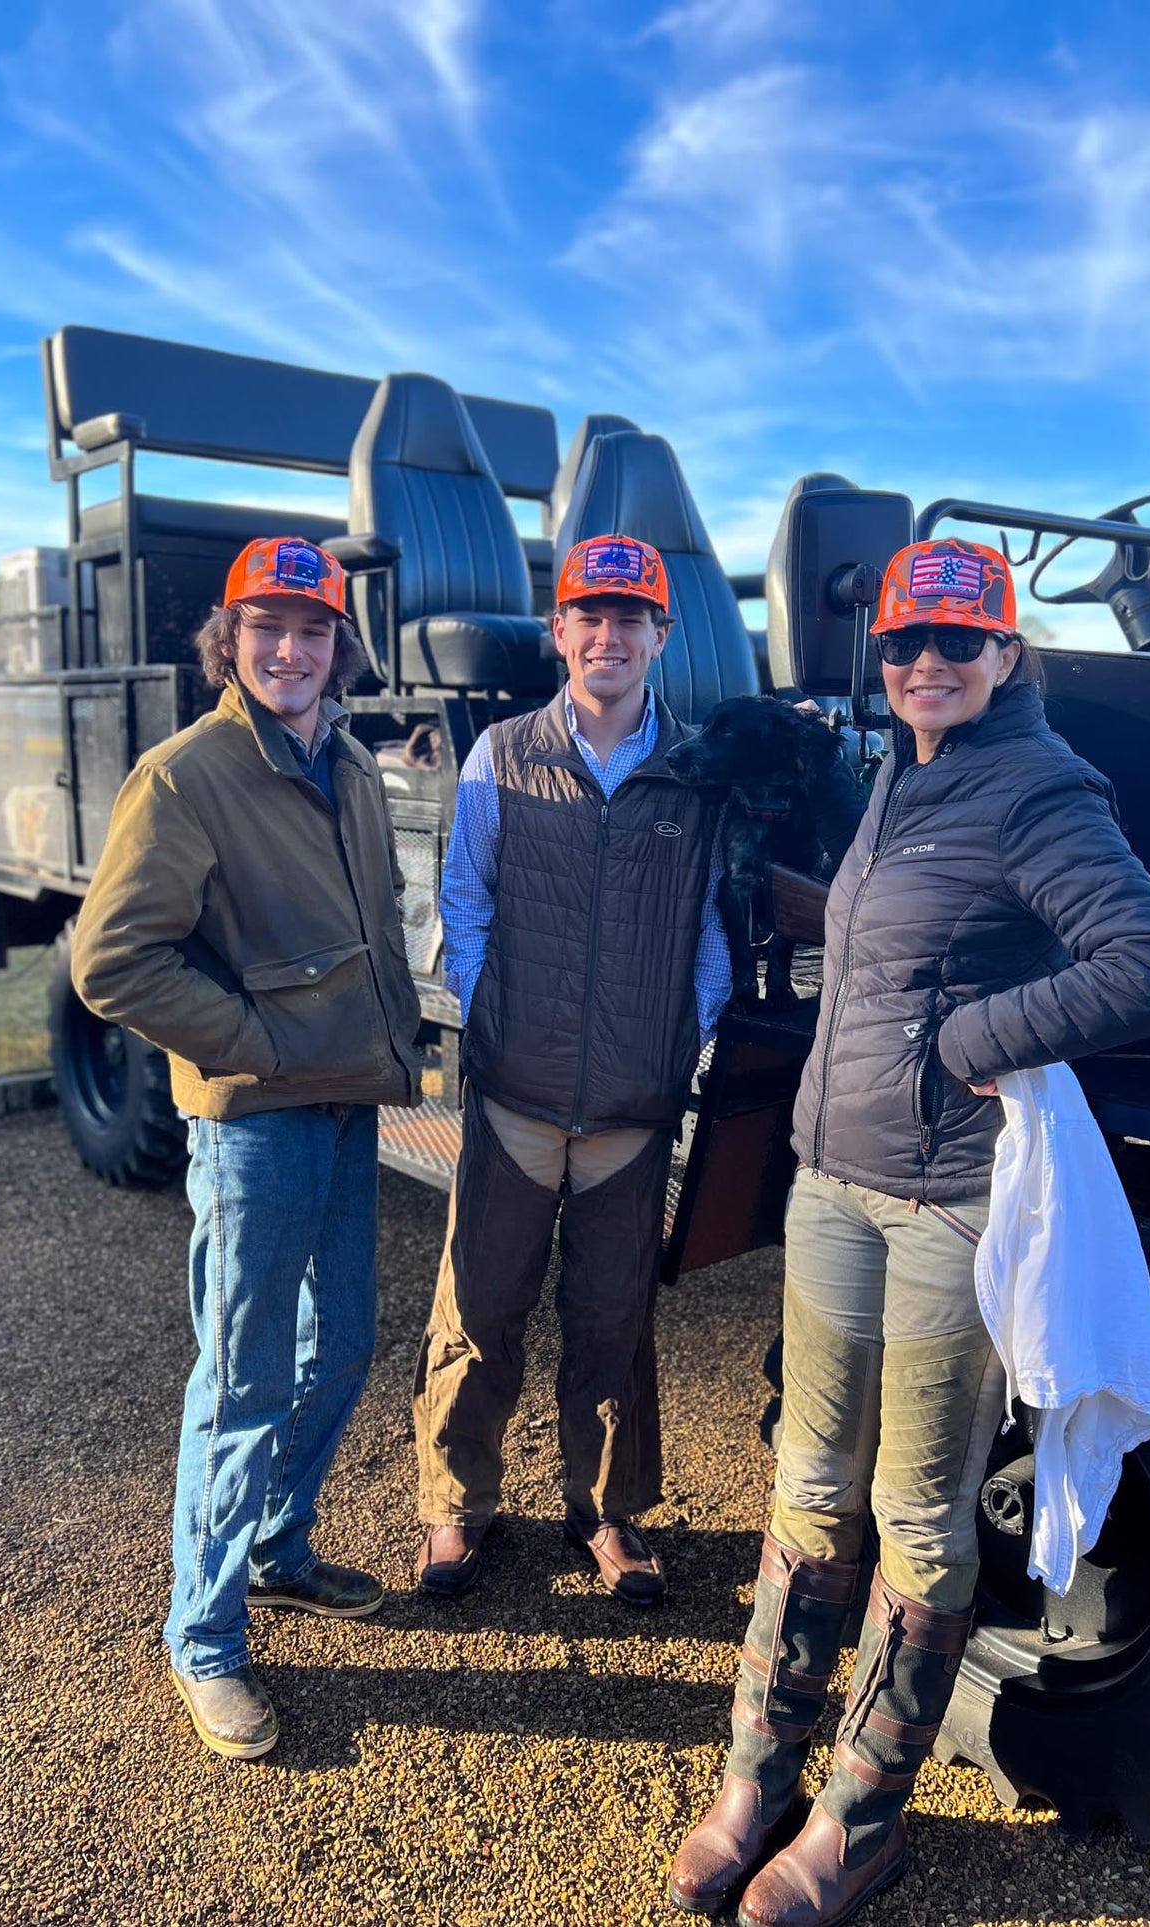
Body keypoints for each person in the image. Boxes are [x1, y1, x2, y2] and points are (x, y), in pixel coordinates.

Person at [668, 538, 1150, 1925]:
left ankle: (858, 1815)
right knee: (806, 1484)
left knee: (915, 1506)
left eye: (957, 644)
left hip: (942, 1203)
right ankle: (756, 1772)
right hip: (833, 1180)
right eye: (905, 644)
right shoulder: (903, 774)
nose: (926, 665)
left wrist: (973, 1033)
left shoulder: (1036, 787)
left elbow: (1149, 966)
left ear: (1006, 655)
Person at [71, 535, 423, 1761]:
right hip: (258, 1121)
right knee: (240, 1374)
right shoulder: (186, 777)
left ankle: (276, 1546)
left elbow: (375, 926)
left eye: (313, 628)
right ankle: (203, 1636)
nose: (290, 648)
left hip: (349, 1101)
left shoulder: (351, 764)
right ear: (229, 639)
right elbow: (112, 961)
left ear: (340, 646)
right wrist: (253, 1041)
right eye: (266, 627)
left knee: (350, 1337)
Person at [411, 533, 730, 1606]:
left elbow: (709, 937)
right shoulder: (499, 753)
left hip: (631, 1110)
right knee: (479, 1303)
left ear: (659, 636)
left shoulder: (696, 772)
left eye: (628, 617)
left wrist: (674, 1035)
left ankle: (608, 1513)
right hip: (516, 1096)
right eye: (587, 616)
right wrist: (495, 1016)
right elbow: (464, 898)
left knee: (611, 1316)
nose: (607, 635)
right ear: (558, 632)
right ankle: (455, 1507)